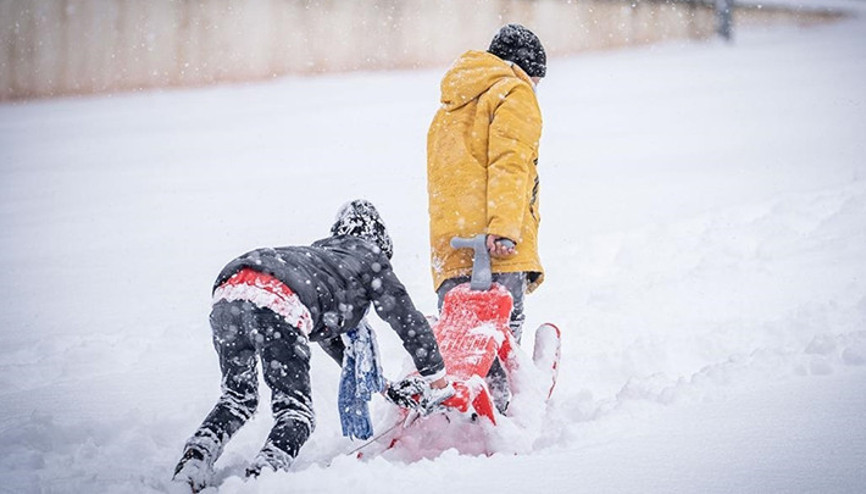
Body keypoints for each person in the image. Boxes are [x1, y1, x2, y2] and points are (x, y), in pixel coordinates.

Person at [173, 200, 452, 491]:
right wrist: (437, 379)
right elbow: (407, 320)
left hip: (230, 291)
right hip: (277, 299)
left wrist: (387, 388)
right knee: (296, 413)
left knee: (237, 399)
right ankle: (263, 476)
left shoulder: (321, 262)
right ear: (380, 241)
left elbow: (342, 354)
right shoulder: (369, 257)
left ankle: (195, 460)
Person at [426, 23, 547, 412]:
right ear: (524, 69)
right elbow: (510, 164)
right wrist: (504, 228)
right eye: (537, 80)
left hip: (450, 245)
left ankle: (462, 410)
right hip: (495, 241)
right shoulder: (514, 91)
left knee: (463, 340)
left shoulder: (450, 104)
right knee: (501, 333)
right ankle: (504, 411)